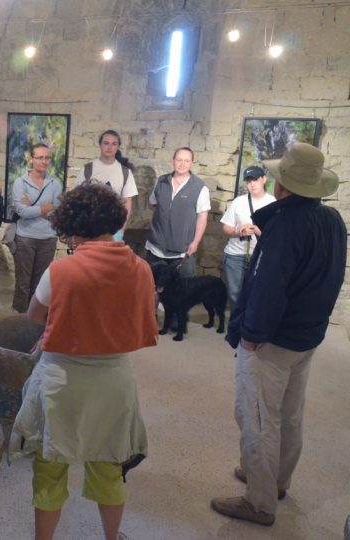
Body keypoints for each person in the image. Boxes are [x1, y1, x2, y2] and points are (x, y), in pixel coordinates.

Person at [9, 184, 158, 540]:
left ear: (72, 227)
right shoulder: (141, 269)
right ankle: (111, 536)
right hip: (113, 380)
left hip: (62, 379)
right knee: (109, 464)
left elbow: (33, 316)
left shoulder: (61, 271)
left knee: (50, 466)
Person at [212, 143, 346, 526]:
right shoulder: (332, 220)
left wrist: (251, 334)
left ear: (283, 186)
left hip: (273, 340)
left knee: (256, 416)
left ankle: (259, 500)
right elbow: (333, 279)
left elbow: (268, 286)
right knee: (289, 413)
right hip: (305, 337)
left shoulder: (285, 226)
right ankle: (275, 481)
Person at [10, 143, 62, 313]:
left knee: (40, 282)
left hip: (48, 237)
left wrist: (34, 207)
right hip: (25, 237)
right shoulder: (20, 182)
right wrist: (46, 207)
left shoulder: (56, 184)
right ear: (31, 159)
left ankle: (35, 318)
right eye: (40, 157)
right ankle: (19, 320)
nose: (44, 161)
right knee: (23, 283)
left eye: (47, 157)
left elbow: (57, 212)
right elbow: (22, 212)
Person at [145, 147, 210, 278]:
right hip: (156, 247)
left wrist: (195, 242)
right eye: (179, 160)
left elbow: (202, 216)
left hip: (182, 251)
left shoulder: (199, 187)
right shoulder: (161, 181)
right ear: (173, 161)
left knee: (182, 292)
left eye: (186, 161)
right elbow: (154, 205)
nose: (182, 164)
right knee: (152, 287)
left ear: (192, 163)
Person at [219, 165, 276, 307]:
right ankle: (236, 327)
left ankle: (249, 327)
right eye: (249, 181)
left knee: (256, 295)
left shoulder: (273, 203)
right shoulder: (239, 201)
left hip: (260, 256)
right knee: (234, 295)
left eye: (255, 180)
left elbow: (277, 235)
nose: (252, 184)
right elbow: (226, 227)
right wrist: (238, 231)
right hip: (235, 254)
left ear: (263, 180)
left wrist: (258, 231)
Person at [74, 129, 138, 241]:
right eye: (106, 143)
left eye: (114, 144)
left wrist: (121, 229)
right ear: (100, 145)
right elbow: (77, 199)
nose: (110, 147)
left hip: (113, 228)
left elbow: (127, 203)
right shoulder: (88, 169)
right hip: (88, 227)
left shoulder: (125, 172)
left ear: (118, 147)